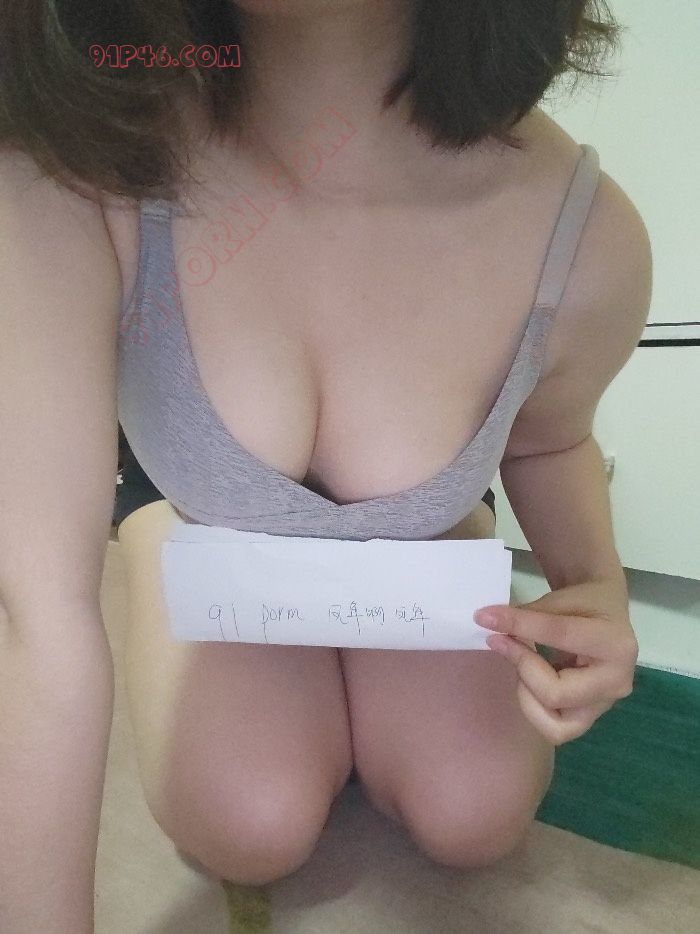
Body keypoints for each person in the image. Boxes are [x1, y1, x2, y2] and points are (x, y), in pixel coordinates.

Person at [0, 1, 651, 930]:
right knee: (247, 819)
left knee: (476, 806)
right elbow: (36, 620)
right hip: (208, 523)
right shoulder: (74, 165)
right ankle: (156, 534)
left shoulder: (583, 233)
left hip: (418, 541)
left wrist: (598, 585)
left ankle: (435, 528)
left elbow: (549, 437)